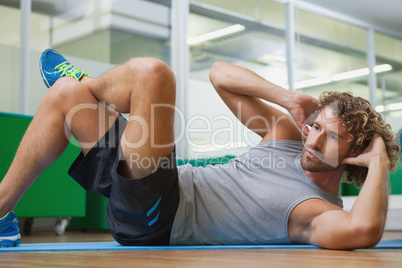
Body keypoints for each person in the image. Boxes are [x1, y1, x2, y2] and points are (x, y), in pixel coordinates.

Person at [0, 49, 399, 249]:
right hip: (149, 185)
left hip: (158, 217)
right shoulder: (284, 138)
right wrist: (287, 96)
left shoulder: (316, 212)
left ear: (354, 154)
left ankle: (91, 83)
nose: (312, 140)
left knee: (152, 75)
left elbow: (363, 229)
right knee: (67, 96)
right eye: (314, 126)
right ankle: (2, 217)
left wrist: (379, 159)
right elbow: (220, 74)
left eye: (329, 137)